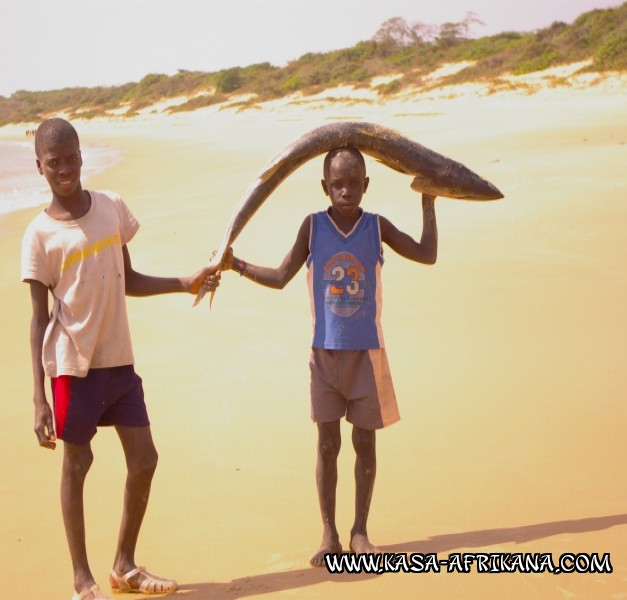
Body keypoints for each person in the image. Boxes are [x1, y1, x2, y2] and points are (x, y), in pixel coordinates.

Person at [21, 118, 221, 600]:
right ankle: (81, 579)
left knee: (145, 460)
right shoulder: (39, 235)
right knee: (77, 463)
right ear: (40, 168)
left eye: (71, 159)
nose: (64, 169)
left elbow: (127, 279)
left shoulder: (111, 208)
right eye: (54, 163)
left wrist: (184, 282)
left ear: (81, 158)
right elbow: (37, 321)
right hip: (73, 367)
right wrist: (39, 398)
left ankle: (124, 565)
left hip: (119, 361)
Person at [226, 147, 437, 566]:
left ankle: (360, 531)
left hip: (367, 355)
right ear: (325, 187)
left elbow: (426, 254)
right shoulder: (313, 227)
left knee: (364, 442)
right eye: (337, 184)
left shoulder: (377, 227)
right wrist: (238, 265)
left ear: (365, 185)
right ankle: (329, 533)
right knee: (326, 445)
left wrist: (427, 202)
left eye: (353, 183)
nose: (346, 191)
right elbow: (282, 275)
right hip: (324, 357)